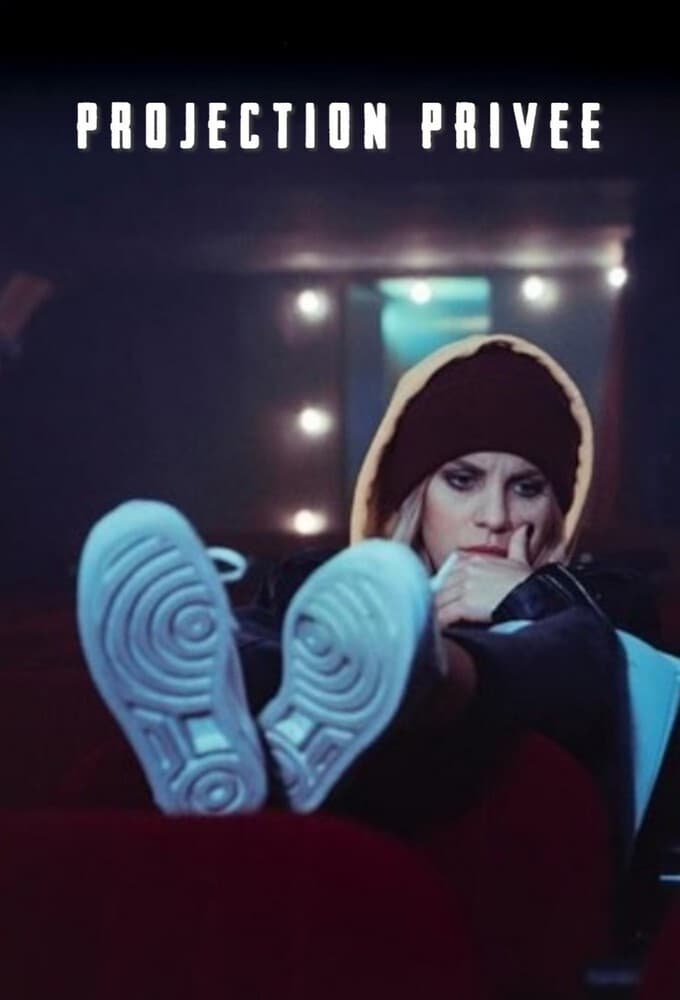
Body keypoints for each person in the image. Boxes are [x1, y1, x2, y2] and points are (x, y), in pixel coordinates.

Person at [75, 333, 677, 873]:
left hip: (512, 867)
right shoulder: (317, 581)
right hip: (340, 864)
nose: (495, 517)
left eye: (527, 487)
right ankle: (231, 728)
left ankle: (420, 670)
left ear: (558, 508)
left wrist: (523, 597)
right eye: (462, 480)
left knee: (585, 644)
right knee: (281, 629)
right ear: (413, 496)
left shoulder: (605, 596)